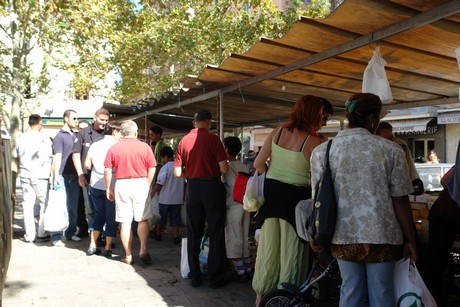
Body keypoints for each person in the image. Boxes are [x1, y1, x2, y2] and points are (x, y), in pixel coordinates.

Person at [310, 93, 418, 307]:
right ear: (372, 119)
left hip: (342, 235)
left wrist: (314, 231)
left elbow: (316, 197)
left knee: (350, 290)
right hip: (383, 235)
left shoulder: (322, 151)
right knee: (382, 292)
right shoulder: (391, 149)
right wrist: (411, 239)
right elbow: (400, 200)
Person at [252, 95, 327, 305]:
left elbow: (258, 164)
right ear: (313, 115)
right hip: (297, 204)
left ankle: (260, 301)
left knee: (268, 252)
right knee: (293, 255)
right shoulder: (314, 142)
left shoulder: (277, 131)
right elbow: (319, 180)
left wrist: (275, 174)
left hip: (272, 198)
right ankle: (287, 301)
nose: (322, 119)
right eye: (321, 115)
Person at [174, 109, 229, 289]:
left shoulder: (183, 141)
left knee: (193, 232)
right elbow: (224, 169)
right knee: (216, 232)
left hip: (193, 187)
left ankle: (194, 275)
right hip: (212, 187)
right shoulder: (214, 140)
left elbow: (177, 172)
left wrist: (190, 173)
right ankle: (215, 277)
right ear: (209, 122)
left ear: (194, 122)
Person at [104, 120, 156, 265]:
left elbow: (107, 169)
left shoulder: (114, 147)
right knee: (142, 219)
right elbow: (152, 167)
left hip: (122, 184)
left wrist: (109, 187)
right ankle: (143, 250)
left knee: (125, 222)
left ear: (122, 132)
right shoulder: (144, 147)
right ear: (136, 131)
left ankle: (128, 255)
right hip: (140, 182)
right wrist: (147, 183)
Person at [423, 149, 460, 306]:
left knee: (436, 259)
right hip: (447, 213)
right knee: (436, 260)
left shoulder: (456, 167)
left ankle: (432, 297)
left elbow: (444, 181)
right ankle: (432, 298)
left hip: (443, 211)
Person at [84, 121, 121, 257]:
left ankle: (92, 245)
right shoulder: (117, 146)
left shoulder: (95, 144)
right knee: (111, 216)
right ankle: (107, 247)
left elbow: (87, 164)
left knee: (99, 214)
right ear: (115, 132)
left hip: (95, 184)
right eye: (120, 132)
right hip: (111, 184)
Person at [72, 108, 110, 237]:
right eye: (101, 120)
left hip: (107, 178)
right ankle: (94, 236)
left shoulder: (108, 133)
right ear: (94, 118)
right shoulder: (83, 133)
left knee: (107, 210)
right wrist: (80, 175)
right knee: (91, 209)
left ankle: (105, 235)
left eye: (106, 121)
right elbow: (76, 154)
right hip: (88, 178)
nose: (103, 123)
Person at [16, 114, 52, 243]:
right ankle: (42, 232)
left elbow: (17, 155)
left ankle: (29, 235)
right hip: (41, 175)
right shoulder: (44, 138)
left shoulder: (21, 137)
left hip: (26, 174)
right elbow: (49, 156)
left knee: (28, 205)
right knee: (43, 204)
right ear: (40, 122)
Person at [223, 136, 251, 282]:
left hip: (233, 205)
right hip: (246, 204)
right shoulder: (244, 165)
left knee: (234, 236)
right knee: (245, 235)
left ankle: (240, 272)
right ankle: (248, 268)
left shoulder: (226, 167)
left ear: (226, 149)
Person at [52, 109, 81, 246]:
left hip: (74, 175)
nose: (76, 121)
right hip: (62, 175)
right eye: (74, 118)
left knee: (73, 206)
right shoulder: (59, 136)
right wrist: (55, 175)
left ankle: (70, 232)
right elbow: (57, 157)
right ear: (66, 119)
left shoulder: (76, 135)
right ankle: (56, 235)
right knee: (60, 205)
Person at [150, 146, 185, 245]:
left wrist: (152, 193)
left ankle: (157, 234)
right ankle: (176, 236)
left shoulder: (165, 168)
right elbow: (185, 182)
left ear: (165, 156)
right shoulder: (179, 167)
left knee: (161, 218)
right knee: (176, 219)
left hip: (165, 199)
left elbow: (159, 183)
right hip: (177, 198)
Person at [76, 119, 90, 238]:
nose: (83, 131)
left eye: (85, 128)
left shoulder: (94, 139)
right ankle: (82, 228)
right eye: (80, 128)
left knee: (92, 207)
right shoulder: (76, 140)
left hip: (91, 176)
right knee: (79, 205)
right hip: (78, 176)